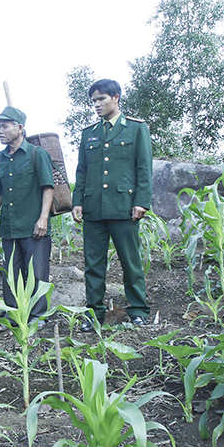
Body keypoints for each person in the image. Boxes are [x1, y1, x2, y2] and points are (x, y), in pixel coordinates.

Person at [71, 79, 152, 330]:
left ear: (116, 98)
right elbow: (82, 170)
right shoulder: (89, 133)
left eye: (101, 99)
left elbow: (144, 168)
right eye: (93, 101)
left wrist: (141, 201)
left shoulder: (136, 129)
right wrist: (77, 201)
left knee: (131, 262)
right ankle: (93, 315)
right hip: (93, 208)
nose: (96, 105)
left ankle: (138, 310)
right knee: (93, 265)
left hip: (124, 207)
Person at [0, 106, 54, 330]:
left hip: (35, 227)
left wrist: (43, 218)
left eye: (5, 126)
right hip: (10, 227)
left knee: (37, 273)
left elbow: (48, 188)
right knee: (11, 275)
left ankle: (38, 316)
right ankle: (12, 315)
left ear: (20, 128)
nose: (0, 131)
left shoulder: (37, 154)